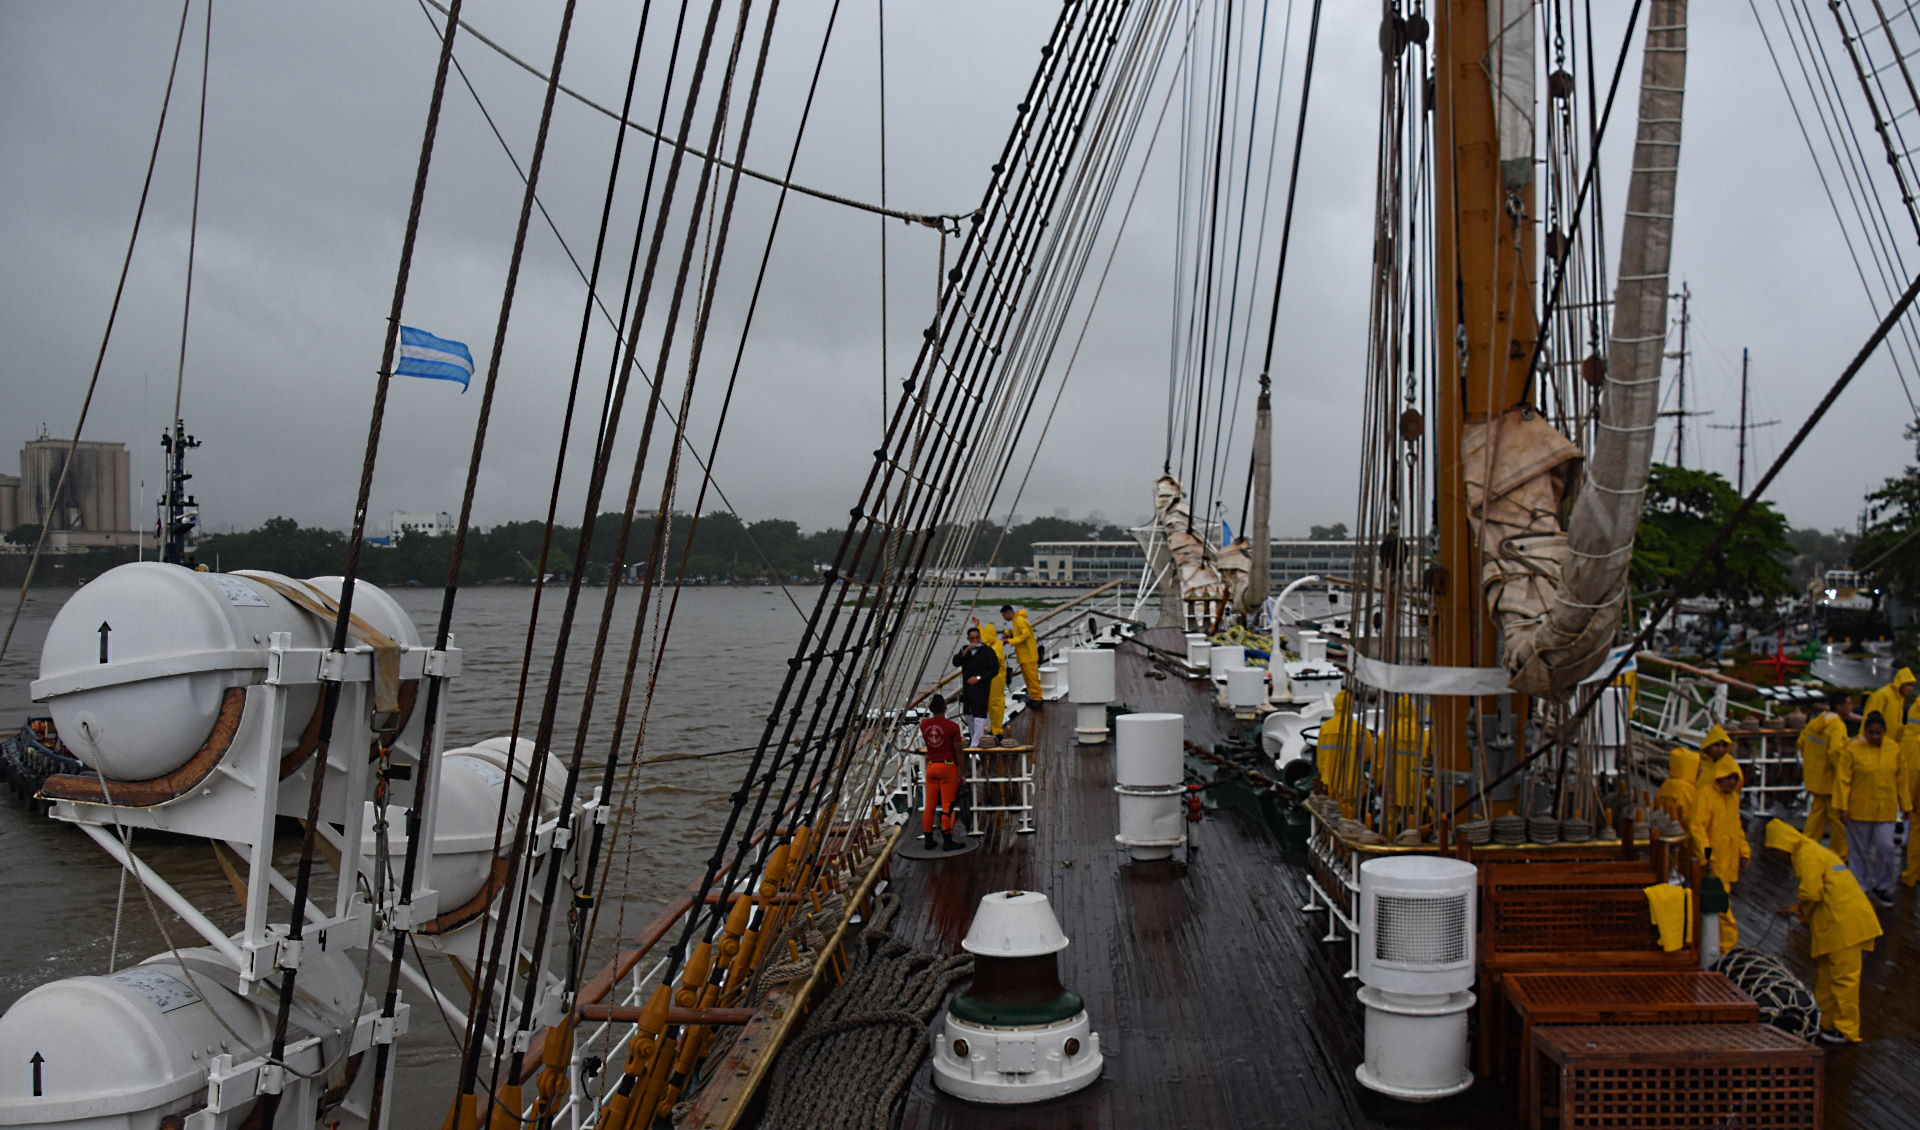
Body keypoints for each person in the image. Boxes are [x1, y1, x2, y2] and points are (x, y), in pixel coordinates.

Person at [1765, 819, 1881, 1044]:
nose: (1777, 857)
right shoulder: (1813, 851)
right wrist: (1796, 911)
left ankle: (1847, 1029)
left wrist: (1797, 911)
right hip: (1840, 923)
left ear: (1782, 844)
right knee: (1827, 975)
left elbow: (1811, 893)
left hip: (1845, 925)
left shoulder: (1806, 855)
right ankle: (1825, 1022)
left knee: (1844, 979)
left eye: (1775, 850)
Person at [1687, 727, 1749, 953]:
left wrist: (1744, 851)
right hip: (1714, 861)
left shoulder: (1732, 799)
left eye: (1735, 779)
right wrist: (1707, 856)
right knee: (1722, 908)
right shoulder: (1706, 795)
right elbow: (1697, 826)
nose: (1732, 783)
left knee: (1717, 905)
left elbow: (1736, 827)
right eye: (1728, 778)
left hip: (1728, 861)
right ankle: (1727, 948)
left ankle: (1713, 946)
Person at [1834, 710, 1904, 905]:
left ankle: (1882, 885)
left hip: (1886, 809)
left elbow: (1901, 778)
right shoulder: (1852, 749)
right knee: (1858, 850)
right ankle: (1860, 885)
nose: (1875, 737)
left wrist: (1906, 804)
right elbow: (1842, 780)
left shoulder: (1894, 749)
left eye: (1878, 733)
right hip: (1858, 808)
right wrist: (1842, 807)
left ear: (1884, 732)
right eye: (1871, 733)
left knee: (1886, 847)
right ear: (1864, 732)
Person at [1797, 691, 1851, 860]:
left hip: (1815, 778)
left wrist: (1814, 763)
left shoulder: (1816, 722)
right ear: (1839, 706)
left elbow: (1801, 743)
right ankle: (1839, 855)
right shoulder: (1837, 726)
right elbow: (1836, 752)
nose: (1851, 707)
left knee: (1816, 816)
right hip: (1831, 780)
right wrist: (1845, 772)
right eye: (1848, 703)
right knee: (1837, 820)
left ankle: (1805, 848)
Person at [918, 694, 964, 851]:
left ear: (931, 709)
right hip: (947, 766)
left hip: (931, 766)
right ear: (945, 708)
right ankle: (948, 840)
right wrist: (962, 771)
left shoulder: (924, 725)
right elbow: (958, 751)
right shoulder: (952, 727)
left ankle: (928, 839)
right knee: (947, 805)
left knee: (929, 806)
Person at [952, 625, 1001, 748]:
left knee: (979, 715)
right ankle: (974, 738)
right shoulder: (965, 650)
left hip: (981, 688)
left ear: (980, 637)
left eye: (977, 637)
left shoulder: (988, 651)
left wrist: (979, 678)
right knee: (969, 715)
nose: (975, 640)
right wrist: (966, 651)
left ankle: (975, 744)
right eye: (972, 638)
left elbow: (994, 669)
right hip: (968, 689)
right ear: (968, 638)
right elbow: (956, 662)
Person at [1000, 604, 1043, 705]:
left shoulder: (1019, 620)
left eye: (1004, 615)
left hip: (1028, 654)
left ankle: (1037, 698)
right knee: (1028, 678)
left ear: (1008, 612)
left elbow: (1025, 635)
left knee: (1032, 678)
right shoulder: (1017, 620)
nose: (1004, 618)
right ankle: (1034, 697)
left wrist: (1009, 641)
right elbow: (1018, 632)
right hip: (1025, 655)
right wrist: (1009, 632)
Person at [1862, 667, 1915, 743]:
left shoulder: (1900, 699)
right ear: (1900, 683)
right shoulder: (1883, 694)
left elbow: (1897, 726)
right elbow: (1868, 720)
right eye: (1909, 684)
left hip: (1889, 745)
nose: (1911, 689)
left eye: (1912, 685)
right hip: (1875, 743)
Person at [979, 620, 1011, 745]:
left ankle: (997, 731)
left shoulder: (995, 647)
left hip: (996, 681)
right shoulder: (994, 643)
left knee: (995, 705)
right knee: (992, 705)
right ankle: (994, 729)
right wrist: (978, 625)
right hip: (993, 681)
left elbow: (993, 660)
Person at [1654, 746, 1699, 826]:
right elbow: (1690, 817)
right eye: (1698, 766)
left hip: (1664, 825)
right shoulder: (1684, 788)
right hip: (1680, 831)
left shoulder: (1668, 783)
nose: (1700, 769)